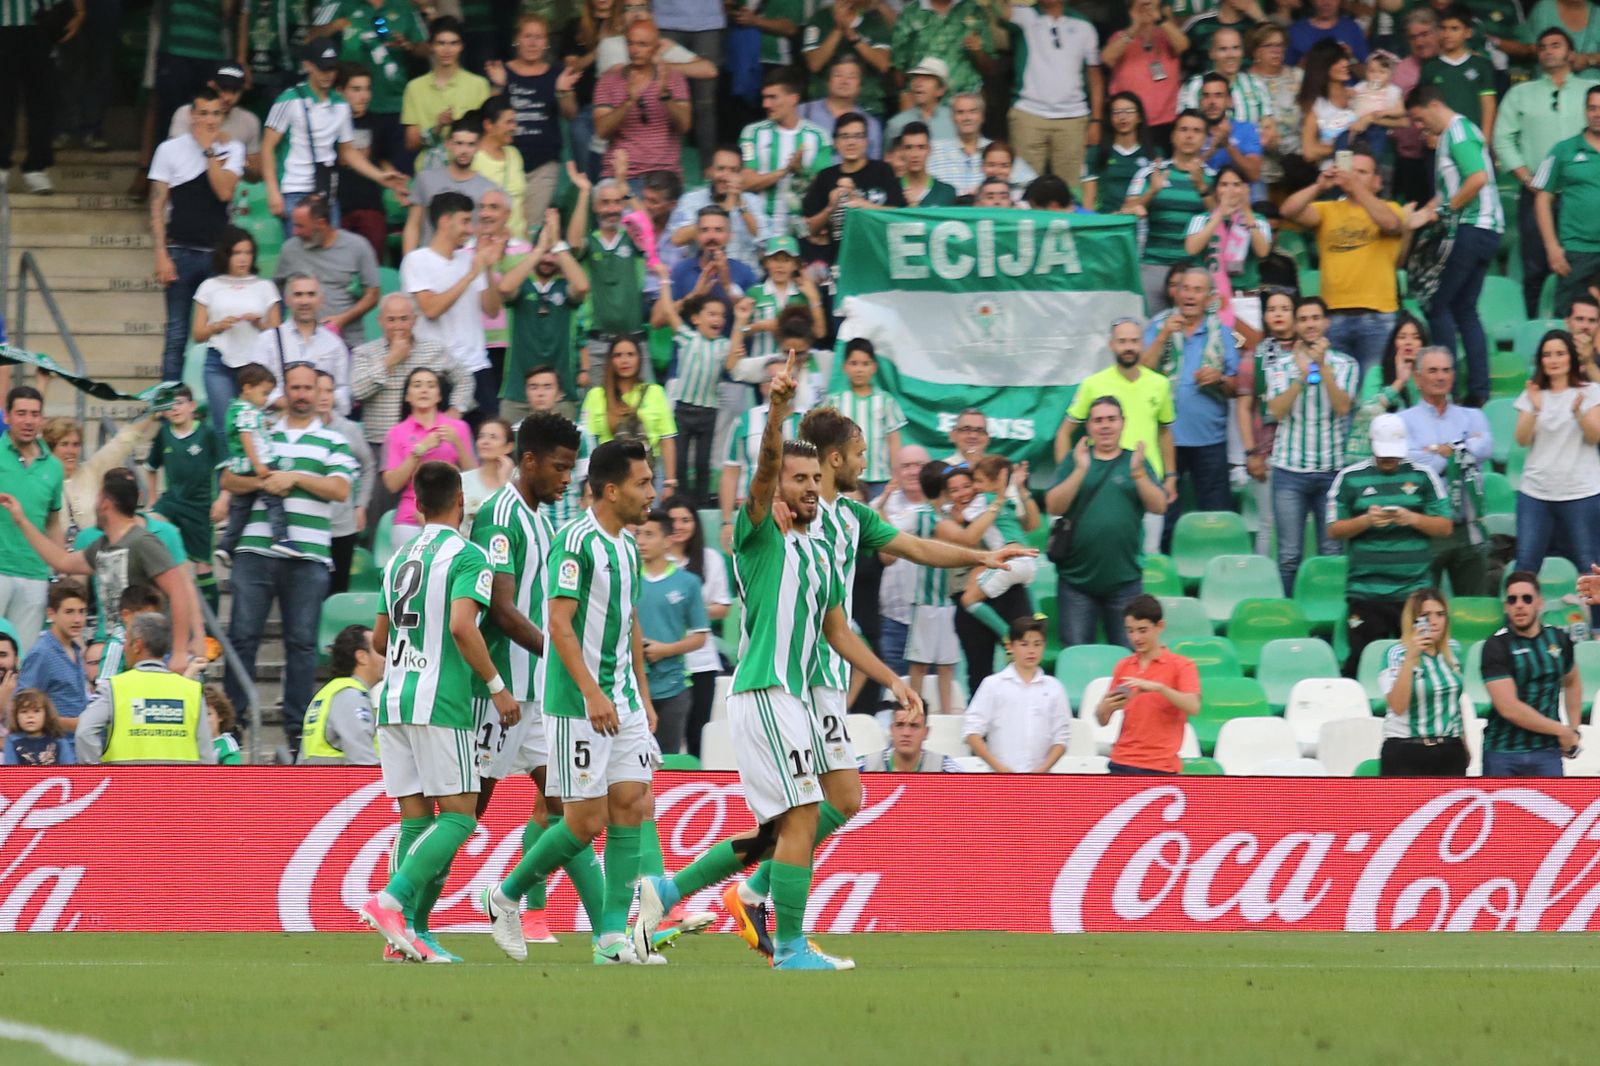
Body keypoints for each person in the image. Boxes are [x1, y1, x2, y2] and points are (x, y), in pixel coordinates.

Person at [628, 356, 920, 971]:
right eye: (798, 478)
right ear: (778, 488)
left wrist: (893, 679)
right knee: (803, 814)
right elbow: (762, 472)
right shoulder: (760, 531)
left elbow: (837, 630)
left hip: (792, 696)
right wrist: (779, 409)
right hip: (766, 692)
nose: (810, 486)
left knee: (785, 827)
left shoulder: (816, 551)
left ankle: (670, 892)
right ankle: (787, 947)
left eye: (817, 476)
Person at [477, 438, 661, 966]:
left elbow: (625, 627)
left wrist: (639, 698)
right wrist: (591, 690)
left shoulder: (627, 547)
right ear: (610, 489)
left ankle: (610, 939)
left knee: (631, 806)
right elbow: (558, 624)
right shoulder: (575, 542)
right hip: (577, 704)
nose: (651, 492)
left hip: (620, 699)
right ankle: (505, 895)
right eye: (642, 482)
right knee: (583, 822)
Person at [357, 461, 514, 964]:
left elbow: (379, 639)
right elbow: (463, 627)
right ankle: (391, 903)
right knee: (462, 817)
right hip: (439, 700)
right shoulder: (469, 557)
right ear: (461, 502)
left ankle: (408, 939)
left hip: (393, 697)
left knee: (415, 821)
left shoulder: (399, 555)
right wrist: (496, 687)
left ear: (418, 506)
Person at [466, 411, 592, 944]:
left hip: (538, 696)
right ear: (531, 460)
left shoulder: (544, 521)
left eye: (572, 469)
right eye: (560, 468)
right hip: (500, 693)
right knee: (462, 816)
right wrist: (560, 654)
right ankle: (405, 915)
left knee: (570, 809)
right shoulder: (500, 516)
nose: (567, 479)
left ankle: (608, 933)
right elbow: (500, 608)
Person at [220, 363, 357, 753]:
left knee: (302, 644)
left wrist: (293, 477)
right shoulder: (261, 429)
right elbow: (229, 479)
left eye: (307, 388)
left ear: (319, 392)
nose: (300, 394)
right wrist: (266, 481)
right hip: (255, 548)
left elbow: (340, 489)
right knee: (242, 638)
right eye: (294, 387)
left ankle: (298, 733)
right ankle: (234, 724)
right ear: (285, 390)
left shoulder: (334, 439)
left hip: (310, 555)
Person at [1328, 413, 1455, 676]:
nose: (1389, 460)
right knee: (1361, 663)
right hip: (1365, 592)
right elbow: (1334, 529)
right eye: (1383, 454)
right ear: (1371, 444)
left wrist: (1412, 518)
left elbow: (1444, 526)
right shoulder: (1349, 478)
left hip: (1414, 593)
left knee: (1418, 665)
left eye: (1393, 454)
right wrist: (1366, 521)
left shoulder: (1423, 475)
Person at [1405, 84, 1504, 407]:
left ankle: (1444, 389)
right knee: (1464, 309)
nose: (1419, 128)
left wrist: (1444, 212)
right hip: (1485, 229)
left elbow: (1476, 178)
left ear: (1434, 105)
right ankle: (1478, 391)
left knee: (1438, 306)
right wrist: (1424, 213)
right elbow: (1448, 192)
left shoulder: (1458, 131)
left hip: (1471, 228)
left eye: (1419, 119)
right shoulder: (1452, 135)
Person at [1047, 397, 1168, 648]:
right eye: (1098, 420)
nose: (1105, 426)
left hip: (1125, 582)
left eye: (1111, 419)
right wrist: (1080, 471)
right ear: (1089, 426)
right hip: (1075, 583)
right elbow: (1054, 506)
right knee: (1077, 658)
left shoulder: (1137, 462)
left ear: (1122, 423)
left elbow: (1159, 506)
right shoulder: (1075, 459)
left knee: (1130, 662)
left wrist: (1138, 474)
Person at [1277, 152, 1408, 376]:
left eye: (1362, 172)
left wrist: (1356, 188)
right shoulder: (1327, 210)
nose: (1353, 176)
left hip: (1377, 316)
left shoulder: (1391, 207)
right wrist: (1319, 186)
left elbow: (1392, 224)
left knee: (1371, 391)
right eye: (1351, 170)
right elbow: (1287, 211)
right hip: (1332, 316)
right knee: (1335, 389)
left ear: (1377, 181)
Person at [150, 86, 247, 383]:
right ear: (192, 116)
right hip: (179, 250)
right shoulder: (169, 149)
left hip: (217, 255)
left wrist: (208, 151)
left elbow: (224, 191)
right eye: (203, 113)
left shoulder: (233, 148)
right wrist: (160, 255)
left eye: (216, 114)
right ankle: (169, 401)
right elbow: (157, 205)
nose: (209, 120)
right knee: (177, 331)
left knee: (217, 330)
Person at [1263, 296, 1357, 594]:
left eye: (1315, 318)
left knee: (1331, 553)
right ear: (1296, 325)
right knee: (1289, 555)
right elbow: (1276, 411)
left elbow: (1343, 407)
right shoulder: (1279, 366)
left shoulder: (1346, 364)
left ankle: (1327, 615)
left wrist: (1323, 369)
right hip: (1289, 471)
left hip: (1331, 471)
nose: (1310, 324)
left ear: (1325, 322)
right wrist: (1302, 378)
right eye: (1303, 319)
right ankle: (1291, 617)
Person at [1493, 30, 1588, 318]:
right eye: (1543, 47)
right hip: (1536, 194)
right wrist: (1525, 177)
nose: (1548, 51)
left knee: (1585, 267)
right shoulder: (1521, 93)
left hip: (1582, 194)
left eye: (1556, 46)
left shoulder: (1591, 90)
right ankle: (1537, 334)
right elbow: (1502, 137)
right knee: (1535, 267)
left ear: (1570, 53)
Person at [263, 40, 407, 230]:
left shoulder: (340, 104)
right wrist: (273, 191)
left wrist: (380, 176)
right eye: (323, 69)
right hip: (294, 190)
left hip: (326, 193)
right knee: (301, 255)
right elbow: (267, 146)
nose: (328, 75)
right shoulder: (290, 99)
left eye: (332, 69)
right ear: (308, 66)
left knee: (331, 254)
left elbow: (348, 151)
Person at [1143, 268, 1239, 543]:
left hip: (1209, 439)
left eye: (1198, 290)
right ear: (1176, 293)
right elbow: (1141, 371)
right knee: (1165, 516)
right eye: (1185, 288)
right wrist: (1162, 337)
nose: (1190, 295)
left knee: (1216, 516)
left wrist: (1218, 378)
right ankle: (1163, 576)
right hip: (1165, 438)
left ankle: (1217, 574)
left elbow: (1237, 388)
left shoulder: (1221, 333)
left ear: (1209, 298)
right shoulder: (1157, 325)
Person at [402, 192, 507, 420]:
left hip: (477, 365)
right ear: (444, 221)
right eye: (465, 221)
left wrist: (488, 268)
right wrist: (470, 275)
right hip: (438, 371)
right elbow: (430, 309)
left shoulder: (469, 259)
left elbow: (492, 309)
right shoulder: (417, 260)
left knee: (489, 439)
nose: (470, 229)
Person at [1397, 346, 1493, 595]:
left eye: (1446, 370)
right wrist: (1459, 451)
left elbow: (1485, 448)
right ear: (1417, 378)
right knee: (1422, 606)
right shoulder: (1403, 420)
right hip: (1425, 527)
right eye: (1432, 370)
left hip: (1467, 525)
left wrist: (1438, 450)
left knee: (1474, 604)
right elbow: (1411, 465)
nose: (1440, 377)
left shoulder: (1473, 416)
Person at [1510, 330, 1600, 577]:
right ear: (1540, 360)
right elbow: (1521, 439)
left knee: (1591, 570)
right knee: (1525, 566)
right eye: (1547, 355)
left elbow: (1595, 436)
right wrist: (1535, 408)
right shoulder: (1532, 393)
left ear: (1571, 357)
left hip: (1580, 492)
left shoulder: (1590, 391)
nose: (1553, 360)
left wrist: (1579, 414)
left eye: (1560, 353)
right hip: (1535, 493)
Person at [74, 613, 213, 765]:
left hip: (127, 785)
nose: (124, 647)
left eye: (126, 641)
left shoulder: (114, 687)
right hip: (179, 786)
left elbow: (84, 732)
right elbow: (206, 755)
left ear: (137, 645)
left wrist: (97, 775)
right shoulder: (191, 690)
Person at [1481, 571, 1583, 778]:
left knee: (1551, 811)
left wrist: (1574, 727)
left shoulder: (1559, 638)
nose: (1519, 605)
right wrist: (1562, 731)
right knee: (1501, 812)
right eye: (1512, 600)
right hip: (1503, 753)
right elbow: (1509, 708)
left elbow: (1572, 681)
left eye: (1527, 599)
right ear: (1506, 607)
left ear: (1540, 603)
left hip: (1547, 753)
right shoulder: (1496, 646)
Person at [351, 293, 477, 458]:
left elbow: (465, 379)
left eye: (404, 319)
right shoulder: (364, 353)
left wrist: (455, 410)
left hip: (430, 442)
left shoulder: (434, 350)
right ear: (379, 321)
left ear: (415, 320)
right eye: (391, 320)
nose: (398, 326)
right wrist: (390, 360)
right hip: (381, 443)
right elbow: (357, 392)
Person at [487, 15, 578, 228]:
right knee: (504, 225)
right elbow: (490, 117)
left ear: (546, 42)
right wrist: (498, 86)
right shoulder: (504, 72)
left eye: (539, 37)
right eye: (527, 36)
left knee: (532, 225)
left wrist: (563, 91)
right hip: (506, 160)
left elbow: (570, 113)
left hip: (543, 164)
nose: (533, 43)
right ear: (516, 40)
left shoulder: (557, 73)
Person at [497, 210, 590, 417]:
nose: (548, 259)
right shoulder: (523, 285)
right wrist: (539, 249)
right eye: (544, 253)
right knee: (511, 448)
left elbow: (583, 287)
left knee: (561, 450)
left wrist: (558, 243)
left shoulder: (565, 286)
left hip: (561, 394)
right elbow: (504, 288)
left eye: (553, 254)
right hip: (517, 392)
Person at [565, 168, 649, 392]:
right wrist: (584, 193)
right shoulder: (590, 242)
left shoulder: (631, 238)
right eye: (605, 203)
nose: (612, 209)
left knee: (643, 405)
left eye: (616, 202)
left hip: (635, 342)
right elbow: (573, 243)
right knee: (596, 407)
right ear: (596, 207)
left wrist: (626, 190)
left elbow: (646, 228)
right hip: (598, 342)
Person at [651, 270, 731, 505]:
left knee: (703, 463)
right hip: (684, 409)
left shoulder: (724, 345)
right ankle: (681, 504)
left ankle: (703, 507)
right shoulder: (686, 336)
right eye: (711, 314)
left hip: (708, 411)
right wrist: (665, 281)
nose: (717, 319)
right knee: (682, 461)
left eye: (721, 315)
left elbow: (735, 354)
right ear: (696, 318)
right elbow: (667, 310)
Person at [1097, 594, 1201, 775]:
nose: (1135, 637)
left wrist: (1160, 688)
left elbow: (1193, 706)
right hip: (1121, 761)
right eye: (1130, 630)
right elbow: (1103, 720)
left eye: (1142, 630)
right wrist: (1104, 707)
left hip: (1160, 766)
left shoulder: (1181, 665)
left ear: (1160, 626)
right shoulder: (1123, 666)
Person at [193, 228, 282, 436]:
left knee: (256, 425)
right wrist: (217, 326)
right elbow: (197, 334)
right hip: (219, 361)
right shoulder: (209, 286)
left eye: (248, 253)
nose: (243, 259)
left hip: (256, 365)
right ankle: (225, 469)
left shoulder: (265, 286)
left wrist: (259, 322)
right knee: (224, 425)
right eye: (237, 253)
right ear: (226, 255)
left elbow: (278, 332)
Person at [1003, 0, 1102, 185]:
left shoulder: (1084, 25)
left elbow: (1095, 77)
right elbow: (1000, 12)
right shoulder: (1024, 15)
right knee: (1023, 186)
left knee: (1071, 189)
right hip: (1028, 113)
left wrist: (1096, 120)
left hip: (1073, 117)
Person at [635, 509, 709, 754]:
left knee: (666, 762)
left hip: (673, 687)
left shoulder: (688, 583)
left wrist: (666, 650)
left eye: (649, 534)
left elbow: (700, 636)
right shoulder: (628, 578)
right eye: (638, 534)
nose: (641, 541)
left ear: (667, 540)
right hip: (630, 689)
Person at [1123, 111, 1213, 312]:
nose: (1189, 136)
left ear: (1205, 138)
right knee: (1149, 333)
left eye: (1196, 131)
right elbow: (1126, 211)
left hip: (1195, 268)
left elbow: (1221, 220)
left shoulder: (1212, 177)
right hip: (1154, 264)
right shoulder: (1150, 173)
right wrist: (1153, 191)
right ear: (1173, 135)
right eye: (1184, 129)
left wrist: (1202, 188)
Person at [145, 386, 224, 611]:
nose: (175, 408)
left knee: (203, 567)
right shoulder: (164, 434)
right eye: (170, 404)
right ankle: (158, 602)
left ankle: (211, 632)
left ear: (192, 406)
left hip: (201, 507)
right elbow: (150, 467)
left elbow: (225, 469)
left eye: (180, 402)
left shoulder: (207, 433)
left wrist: (223, 499)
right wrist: (151, 498)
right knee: (149, 528)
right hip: (172, 502)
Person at [383, 368, 478, 550]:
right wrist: (420, 449)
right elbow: (392, 484)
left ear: (439, 396)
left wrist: (457, 443)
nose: (424, 390)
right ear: (407, 396)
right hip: (410, 518)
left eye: (431, 385)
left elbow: (474, 476)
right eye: (417, 385)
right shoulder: (397, 432)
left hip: (452, 516)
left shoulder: (458, 427)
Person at [962, 616, 1071, 773]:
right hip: (999, 779)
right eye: (1024, 644)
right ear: (1010, 646)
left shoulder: (1054, 687)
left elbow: (1062, 735)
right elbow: (972, 731)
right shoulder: (993, 684)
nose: (1031, 651)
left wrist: (1042, 770)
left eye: (1037, 644)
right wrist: (998, 767)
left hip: (1041, 780)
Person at [1379, 588, 1468, 776]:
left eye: (1440, 614)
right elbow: (1398, 705)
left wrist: (1464, 743)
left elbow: (1454, 702)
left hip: (1450, 750)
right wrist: (1411, 657)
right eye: (1426, 615)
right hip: (1406, 750)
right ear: (1413, 620)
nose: (1434, 622)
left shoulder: (1454, 650)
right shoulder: (1395, 654)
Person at [275, 195, 381, 352]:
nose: (295, 232)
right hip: (300, 341)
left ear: (321, 223)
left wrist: (341, 320)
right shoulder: (290, 249)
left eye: (300, 226)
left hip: (348, 340)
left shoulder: (357, 246)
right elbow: (277, 292)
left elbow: (373, 294)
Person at [740, 67, 834, 242]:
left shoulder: (820, 137)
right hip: (759, 228)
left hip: (800, 230)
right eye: (764, 98)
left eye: (773, 97)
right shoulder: (751, 133)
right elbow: (745, 181)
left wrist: (801, 172)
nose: (765, 104)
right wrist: (784, 172)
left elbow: (823, 186)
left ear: (793, 99)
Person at [593, 18, 691, 182]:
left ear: (656, 47)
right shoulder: (608, 80)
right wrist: (628, 102)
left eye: (642, 44)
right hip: (620, 174)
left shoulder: (673, 78)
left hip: (664, 173)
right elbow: (602, 132)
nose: (634, 50)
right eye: (630, 44)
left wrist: (665, 96)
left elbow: (684, 126)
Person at [801, 111, 906, 261]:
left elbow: (900, 214)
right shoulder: (825, 177)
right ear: (836, 143)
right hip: (841, 260)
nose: (851, 142)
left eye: (858, 136)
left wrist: (864, 205)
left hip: (881, 257)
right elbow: (808, 229)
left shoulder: (883, 170)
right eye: (845, 137)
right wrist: (830, 208)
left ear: (866, 141)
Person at [901, 462, 963, 713]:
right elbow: (893, 533)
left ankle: (946, 716)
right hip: (924, 601)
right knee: (920, 664)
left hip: (947, 602)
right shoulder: (919, 514)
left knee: (947, 665)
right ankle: (914, 711)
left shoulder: (951, 516)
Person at [1535, 84, 1600, 319]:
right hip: (1575, 251)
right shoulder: (1562, 150)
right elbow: (1542, 198)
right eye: (1592, 108)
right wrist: (1552, 248)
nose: (1597, 114)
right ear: (1584, 111)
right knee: (1570, 321)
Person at [249, 274, 354, 415]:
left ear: (320, 300)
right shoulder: (267, 340)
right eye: (298, 295)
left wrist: (322, 401)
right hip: (277, 424)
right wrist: (294, 404)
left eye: (311, 294)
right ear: (287, 300)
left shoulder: (335, 344)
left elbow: (344, 390)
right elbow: (256, 390)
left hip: (323, 425)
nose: (305, 301)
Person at [582, 336, 678, 486]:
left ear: (639, 359)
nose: (624, 360)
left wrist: (670, 482)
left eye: (630, 355)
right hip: (610, 476)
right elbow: (588, 442)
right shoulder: (596, 395)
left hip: (649, 474)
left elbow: (667, 440)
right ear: (610, 360)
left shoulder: (656, 392)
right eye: (618, 355)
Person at [1182, 165, 1271, 326]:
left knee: (1246, 349)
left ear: (1245, 189)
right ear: (1216, 190)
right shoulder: (1201, 219)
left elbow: (1263, 251)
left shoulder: (1258, 220)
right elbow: (1191, 248)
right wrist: (1219, 216)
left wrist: (1247, 213)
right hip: (1211, 300)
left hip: (1245, 299)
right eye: (1224, 184)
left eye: (1236, 185)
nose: (1230, 190)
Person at [399, 15, 491, 165]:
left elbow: (486, 136)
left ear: (461, 46)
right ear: (431, 46)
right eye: (441, 43)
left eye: (453, 43)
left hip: (469, 170)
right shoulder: (414, 88)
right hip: (429, 173)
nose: (447, 50)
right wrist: (438, 127)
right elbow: (411, 143)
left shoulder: (479, 85)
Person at [314, 371, 375, 594]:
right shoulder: (299, 429)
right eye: (318, 390)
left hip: (342, 524)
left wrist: (361, 504)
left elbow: (368, 465)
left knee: (338, 589)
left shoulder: (348, 429)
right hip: (309, 525)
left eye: (329, 391)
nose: (324, 396)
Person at [667, 146, 772, 275]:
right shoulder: (691, 200)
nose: (726, 177)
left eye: (733, 170)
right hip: (704, 280)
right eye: (721, 169)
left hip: (746, 280)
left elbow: (766, 243)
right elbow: (677, 239)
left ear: (741, 175)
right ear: (710, 171)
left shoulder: (753, 202)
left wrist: (742, 206)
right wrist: (722, 212)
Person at [401, 124, 498, 255]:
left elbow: (489, 231)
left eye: (471, 144)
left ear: (478, 147)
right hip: (428, 259)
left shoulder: (488, 187)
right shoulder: (426, 179)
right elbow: (413, 226)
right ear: (449, 144)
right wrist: (409, 261)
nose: (464, 150)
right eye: (459, 143)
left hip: (467, 262)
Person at [826, 340, 905, 499]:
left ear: (874, 367)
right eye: (854, 363)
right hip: (845, 478)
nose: (859, 369)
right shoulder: (834, 402)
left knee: (876, 520)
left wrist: (896, 475)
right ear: (845, 367)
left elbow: (894, 441)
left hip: (880, 479)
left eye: (865, 364)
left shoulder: (885, 400)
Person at [1103, 0, 1188, 142]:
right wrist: (1135, 26)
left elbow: (1183, 45)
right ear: (1130, 10)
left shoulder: (1167, 36)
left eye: (1151, 4)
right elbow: (1107, 58)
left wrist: (1160, 19)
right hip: (1130, 123)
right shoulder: (1121, 37)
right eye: (1141, 5)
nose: (1147, 8)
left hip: (1167, 122)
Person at [1347, 314, 1425, 464]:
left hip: (1417, 455)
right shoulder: (1377, 372)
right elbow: (1367, 412)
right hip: (1378, 456)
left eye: (1415, 337)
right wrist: (1399, 383)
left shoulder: (1430, 376)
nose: (1409, 342)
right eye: (1402, 337)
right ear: (1393, 342)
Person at [299, 624, 382, 765]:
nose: (386, 657)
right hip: (341, 785)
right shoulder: (351, 697)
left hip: (319, 783)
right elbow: (363, 763)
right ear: (362, 657)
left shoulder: (331, 692)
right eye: (380, 651)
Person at [889, 0, 994, 106]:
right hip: (922, 106)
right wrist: (906, 97)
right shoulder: (910, 13)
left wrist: (978, 52)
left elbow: (990, 67)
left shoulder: (973, 10)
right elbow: (898, 68)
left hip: (965, 103)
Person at [929, 93, 1032, 197]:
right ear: (952, 117)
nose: (967, 118)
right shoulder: (934, 150)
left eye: (972, 112)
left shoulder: (998, 151)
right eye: (960, 112)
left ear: (982, 116)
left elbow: (1030, 184)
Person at [1419, 7, 1497, 140]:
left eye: (1454, 28)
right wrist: (1428, 134)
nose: (1447, 34)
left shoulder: (1481, 65)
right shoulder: (1429, 67)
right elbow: (1423, 106)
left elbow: (1488, 104)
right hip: (1440, 140)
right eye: (1443, 28)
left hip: (1473, 138)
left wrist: (1486, 139)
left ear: (1468, 32)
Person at [17, 581, 88, 723]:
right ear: (51, 613)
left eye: (82, 611)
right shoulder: (42, 653)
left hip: (78, 741)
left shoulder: (75, 649)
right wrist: (73, 724)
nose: (77, 619)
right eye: (69, 612)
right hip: (53, 742)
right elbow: (23, 706)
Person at [798, 54, 886, 160]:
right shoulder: (803, 111)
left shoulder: (870, 124)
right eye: (838, 75)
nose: (844, 81)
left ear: (859, 86)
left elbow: (873, 166)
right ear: (828, 81)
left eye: (851, 77)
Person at [1081, 93, 1159, 214]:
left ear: (1139, 117)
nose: (1122, 117)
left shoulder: (1154, 153)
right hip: (1107, 221)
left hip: (1142, 220)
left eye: (1129, 111)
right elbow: (1088, 202)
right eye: (1116, 112)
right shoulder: (1096, 153)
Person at [1247, 23, 1301, 189]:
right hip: (1260, 173)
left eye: (1280, 45)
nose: (1277, 50)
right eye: (1269, 45)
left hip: (1297, 168)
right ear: (1256, 51)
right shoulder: (1245, 83)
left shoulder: (1299, 77)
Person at [861, 706, 959, 772]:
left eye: (914, 726)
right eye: (899, 725)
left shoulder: (945, 768)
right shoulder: (865, 767)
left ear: (926, 732)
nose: (906, 733)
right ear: (891, 730)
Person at [885, 57, 956, 144]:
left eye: (926, 78)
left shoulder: (955, 120)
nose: (918, 83)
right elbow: (890, 156)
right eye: (915, 77)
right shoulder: (896, 124)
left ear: (941, 89)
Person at [2, 689, 74, 766]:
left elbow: (69, 768)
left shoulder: (58, 740)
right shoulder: (12, 741)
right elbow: (10, 771)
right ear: (16, 716)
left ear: (46, 714)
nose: (30, 716)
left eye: (36, 711)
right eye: (24, 711)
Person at [1286, 0, 1368, 67]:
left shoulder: (1352, 28)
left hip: (1346, 86)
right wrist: (1307, 61)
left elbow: (1366, 74)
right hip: (1311, 85)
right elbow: (1286, 73)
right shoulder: (1297, 30)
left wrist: (1350, 58)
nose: (1326, 3)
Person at [895, 122, 959, 207]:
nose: (915, 154)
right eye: (908, 148)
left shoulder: (947, 192)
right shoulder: (892, 189)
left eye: (921, 147)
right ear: (902, 151)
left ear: (929, 150)